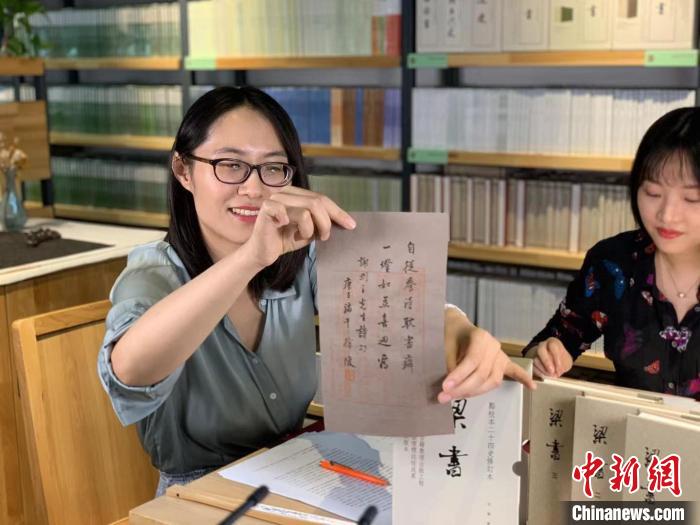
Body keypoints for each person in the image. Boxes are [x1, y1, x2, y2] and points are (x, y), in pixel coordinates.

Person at [97, 86, 534, 495]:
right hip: (199, 493)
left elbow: (396, 305)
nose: (253, 188)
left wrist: (460, 330)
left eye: (273, 168)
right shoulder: (154, 272)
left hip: (297, 472)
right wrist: (250, 258)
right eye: (230, 165)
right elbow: (130, 373)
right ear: (183, 171)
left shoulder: (299, 257)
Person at [524, 107, 700, 400]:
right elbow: (555, 339)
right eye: (653, 193)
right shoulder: (614, 262)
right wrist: (546, 355)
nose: (667, 215)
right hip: (630, 429)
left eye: (692, 198)